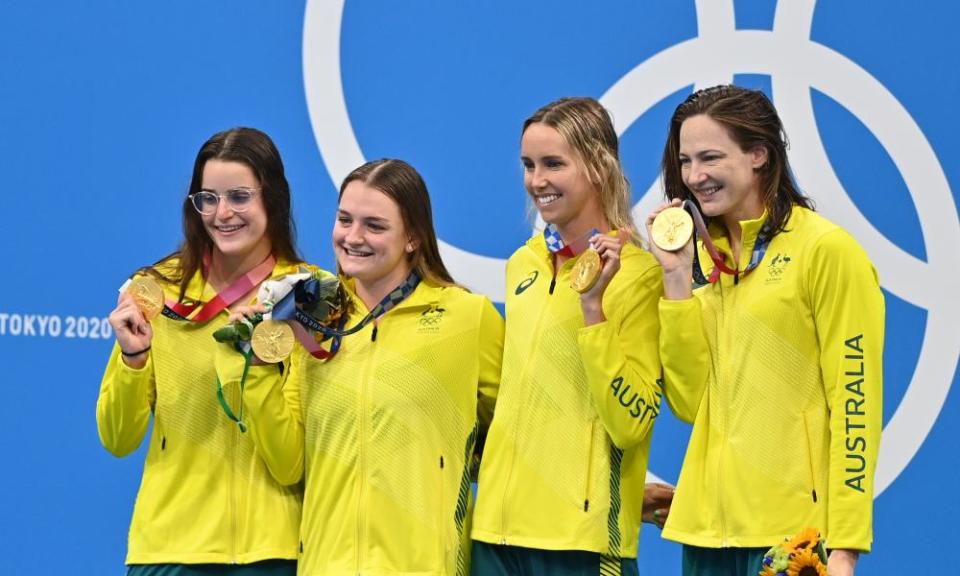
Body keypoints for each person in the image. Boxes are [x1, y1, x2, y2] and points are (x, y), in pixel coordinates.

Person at [646, 85, 884, 576]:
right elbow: (691, 403)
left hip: (793, 539)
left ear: (759, 154)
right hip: (706, 536)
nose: (695, 176)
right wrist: (674, 277)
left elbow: (856, 402)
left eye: (711, 157)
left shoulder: (825, 251)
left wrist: (845, 545)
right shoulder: (701, 264)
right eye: (686, 160)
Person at [471, 97, 672, 575]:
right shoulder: (524, 263)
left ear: (599, 167)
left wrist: (593, 311)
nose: (536, 180)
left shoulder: (642, 277)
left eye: (553, 164)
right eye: (528, 165)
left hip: (582, 541)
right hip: (495, 534)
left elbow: (632, 422)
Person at [97, 127, 307, 576]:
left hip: (271, 552)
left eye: (238, 197)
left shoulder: (307, 298)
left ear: (273, 198)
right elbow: (118, 439)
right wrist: (133, 361)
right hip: (170, 549)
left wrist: (259, 366)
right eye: (207, 198)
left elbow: (292, 462)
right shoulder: (156, 291)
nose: (222, 213)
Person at [284, 159, 503, 575]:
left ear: (413, 237)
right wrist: (256, 368)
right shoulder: (313, 321)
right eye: (344, 219)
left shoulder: (467, 318)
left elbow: (512, 439)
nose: (353, 237)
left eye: (375, 225)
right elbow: (290, 462)